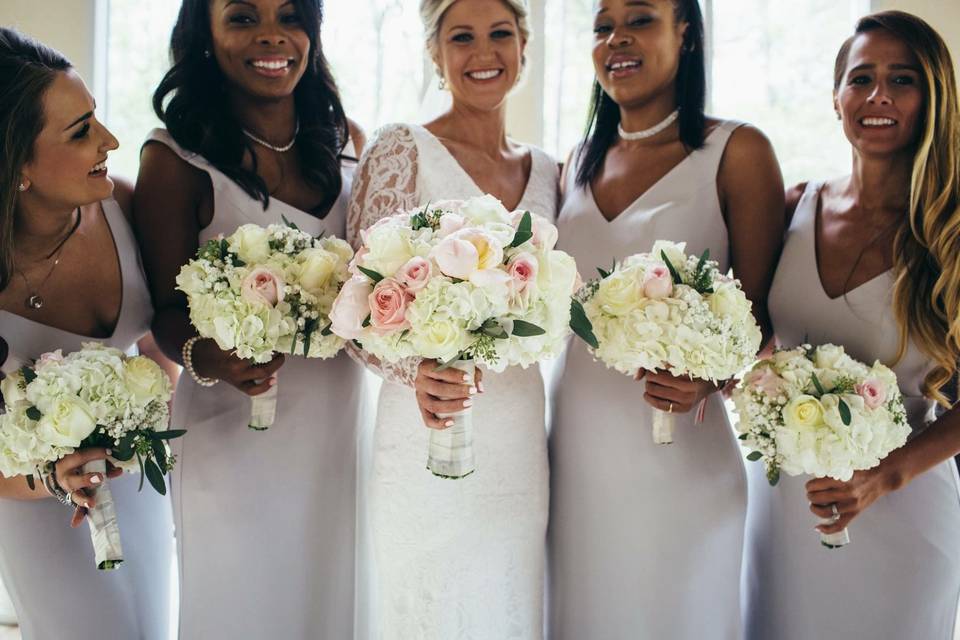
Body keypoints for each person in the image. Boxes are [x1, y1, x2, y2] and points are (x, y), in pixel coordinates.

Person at [547, 0, 785, 637]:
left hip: (680, 449)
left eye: (640, 19)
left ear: (687, 33)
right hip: (574, 448)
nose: (617, 39)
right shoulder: (575, 162)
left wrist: (710, 377)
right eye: (602, 27)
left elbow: (761, 320)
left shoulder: (737, 151)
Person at [134, 1, 365, 637]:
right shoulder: (175, 158)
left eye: (290, 15)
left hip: (339, 425)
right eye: (242, 17)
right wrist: (209, 357)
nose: (272, 35)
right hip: (230, 425)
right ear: (203, 36)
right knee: (241, 605)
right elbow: (164, 311)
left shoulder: (349, 143)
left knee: (331, 600)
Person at [744, 11, 960, 639]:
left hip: (903, 508)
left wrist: (882, 477)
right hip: (784, 509)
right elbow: (746, 340)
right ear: (836, 98)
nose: (879, 96)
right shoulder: (792, 209)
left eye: (903, 80)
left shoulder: (950, 231)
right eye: (861, 78)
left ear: (932, 99)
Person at [347, 0, 558, 636]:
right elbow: (354, 302)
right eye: (461, 36)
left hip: (518, 431)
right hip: (423, 423)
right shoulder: (400, 148)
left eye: (500, 34)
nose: (483, 52)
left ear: (523, 45)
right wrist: (416, 371)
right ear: (436, 54)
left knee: (507, 602)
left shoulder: (549, 169)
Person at [0, 27, 173, 640]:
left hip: (135, 476)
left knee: (151, 627)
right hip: (30, 503)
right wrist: (52, 476)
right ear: (17, 163)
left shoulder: (125, 205)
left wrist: (143, 404)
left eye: (95, 117)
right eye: (80, 132)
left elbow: (162, 341)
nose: (110, 140)